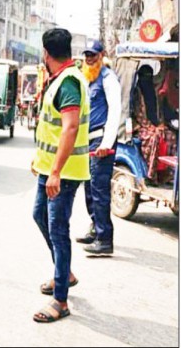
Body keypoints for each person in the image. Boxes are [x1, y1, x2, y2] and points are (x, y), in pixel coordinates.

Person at [30, 28, 90, 323]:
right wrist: (41, 162)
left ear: (46, 53)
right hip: (50, 167)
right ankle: (63, 273)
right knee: (39, 215)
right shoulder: (60, 78)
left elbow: (70, 128)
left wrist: (54, 172)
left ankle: (61, 300)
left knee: (58, 229)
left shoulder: (68, 82)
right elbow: (51, 129)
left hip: (63, 172)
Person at [76, 40, 121, 255]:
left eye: (93, 54)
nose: (89, 58)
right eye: (87, 55)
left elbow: (115, 112)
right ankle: (96, 228)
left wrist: (106, 143)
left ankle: (104, 240)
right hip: (88, 142)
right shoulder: (88, 79)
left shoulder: (108, 78)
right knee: (89, 189)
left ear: (102, 55)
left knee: (100, 191)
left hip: (101, 142)